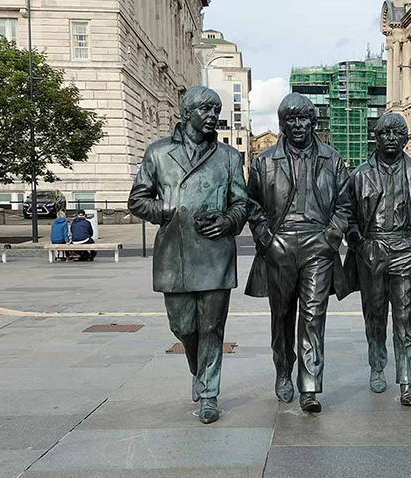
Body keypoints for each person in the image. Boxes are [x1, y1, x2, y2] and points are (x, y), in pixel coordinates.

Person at [128, 86, 249, 424]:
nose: (212, 116)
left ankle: (209, 393)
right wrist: (163, 209)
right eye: (205, 110)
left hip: (215, 253)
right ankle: (199, 372)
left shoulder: (228, 157)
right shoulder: (158, 153)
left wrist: (227, 220)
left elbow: (242, 203)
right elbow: (136, 199)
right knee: (183, 327)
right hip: (174, 254)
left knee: (212, 327)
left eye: (216, 110)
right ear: (187, 113)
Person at [245, 93, 351, 414]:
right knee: (282, 316)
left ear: (313, 121)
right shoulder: (264, 162)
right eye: (291, 120)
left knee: (313, 316)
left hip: (318, 245)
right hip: (279, 245)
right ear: (282, 124)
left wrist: (330, 237)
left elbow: (345, 205)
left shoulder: (332, 160)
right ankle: (283, 369)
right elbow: (253, 206)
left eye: (304, 118)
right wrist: (267, 240)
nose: (298, 125)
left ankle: (309, 386)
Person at [344, 113, 411, 406]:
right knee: (375, 315)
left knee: (405, 319)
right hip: (372, 251)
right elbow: (348, 218)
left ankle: (407, 381)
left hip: (405, 251)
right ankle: (377, 365)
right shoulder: (359, 176)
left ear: (406, 139)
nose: (392, 138)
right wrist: (361, 244)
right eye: (386, 133)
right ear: (377, 137)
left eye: (398, 134)